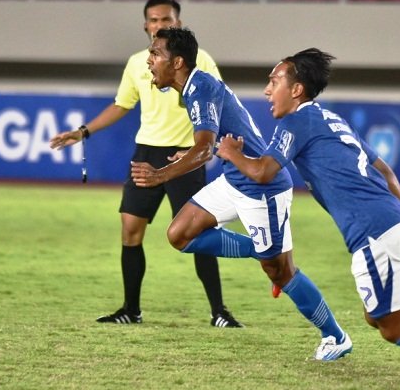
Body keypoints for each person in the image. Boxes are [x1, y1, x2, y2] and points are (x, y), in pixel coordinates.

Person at [216, 48, 400, 390]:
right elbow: (384, 170)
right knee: (378, 316)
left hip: (373, 232)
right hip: (390, 222)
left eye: (274, 80)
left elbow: (263, 172)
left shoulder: (296, 122)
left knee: (393, 328)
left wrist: (232, 154)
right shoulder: (332, 119)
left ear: (296, 90)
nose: (267, 89)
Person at [131, 27, 352, 361]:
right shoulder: (193, 89)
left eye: (155, 53)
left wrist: (159, 174)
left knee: (282, 272)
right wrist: (190, 152)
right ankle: (263, 251)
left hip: (261, 188)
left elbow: (206, 151)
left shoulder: (201, 87)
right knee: (180, 235)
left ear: (177, 62)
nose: (149, 60)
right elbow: (208, 142)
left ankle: (336, 336)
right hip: (234, 179)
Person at [49, 0, 242, 328]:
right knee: (130, 231)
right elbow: (121, 105)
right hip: (146, 153)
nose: (159, 25)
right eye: (153, 20)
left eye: (165, 20)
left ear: (177, 24)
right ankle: (131, 310)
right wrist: (83, 132)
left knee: (198, 233)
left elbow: (217, 101)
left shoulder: (201, 60)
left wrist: (200, 149)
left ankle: (219, 312)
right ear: (145, 25)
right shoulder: (138, 63)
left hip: (185, 155)